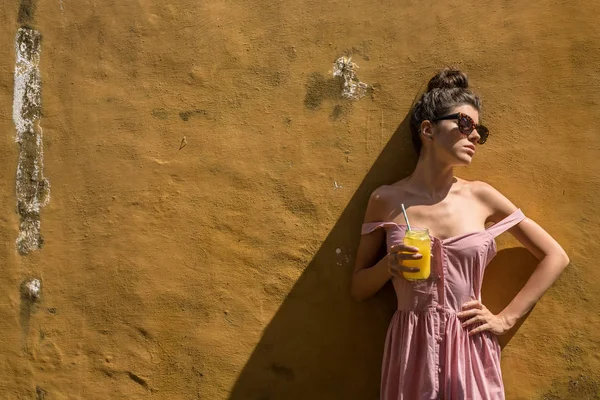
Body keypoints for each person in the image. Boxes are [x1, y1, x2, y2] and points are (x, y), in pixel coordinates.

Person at [350, 68, 570, 400]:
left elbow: (555, 256)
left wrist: (504, 320)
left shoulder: (482, 197)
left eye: (479, 129)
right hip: (411, 352)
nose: (476, 136)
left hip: (469, 348)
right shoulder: (385, 200)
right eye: (465, 125)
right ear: (428, 130)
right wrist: (388, 266)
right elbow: (358, 288)